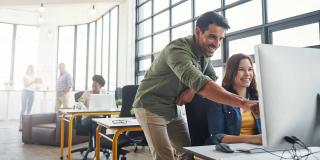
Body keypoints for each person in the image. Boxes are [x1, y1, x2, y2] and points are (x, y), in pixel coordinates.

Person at [133, 11, 259, 160]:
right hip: (150, 106)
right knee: (164, 157)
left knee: (187, 153)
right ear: (198, 31)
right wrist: (243, 103)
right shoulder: (178, 50)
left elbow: (210, 76)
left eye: (220, 39)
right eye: (212, 37)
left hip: (172, 108)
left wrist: (190, 91)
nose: (217, 44)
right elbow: (203, 84)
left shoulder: (203, 54)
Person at [206, 54, 261, 145]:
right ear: (231, 72)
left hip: (257, 148)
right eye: (241, 69)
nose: (247, 74)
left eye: (250, 69)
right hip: (232, 150)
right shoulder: (219, 99)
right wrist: (251, 139)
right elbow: (217, 136)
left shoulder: (257, 99)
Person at [20, 65, 42, 131]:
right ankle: (21, 125)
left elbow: (37, 83)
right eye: (30, 68)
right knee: (23, 109)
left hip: (32, 93)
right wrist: (33, 81)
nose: (31, 70)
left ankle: (27, 125)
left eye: (32, 69)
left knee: (29, 110)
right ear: (27, 69)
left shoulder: (34, 76)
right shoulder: (25, 76)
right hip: (25, 92)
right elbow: (25, 85)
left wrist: (37, 86)